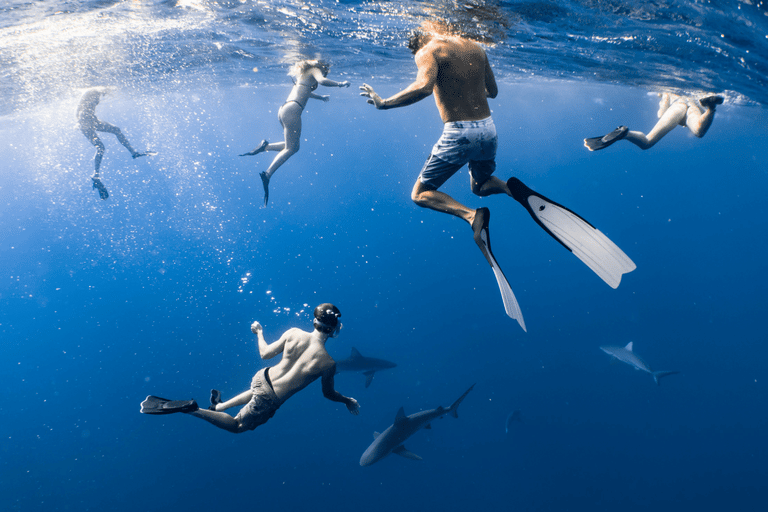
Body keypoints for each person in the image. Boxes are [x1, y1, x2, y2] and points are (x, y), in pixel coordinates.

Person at [140, 303, 360, 434]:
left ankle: (219, 407)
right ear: (333, 330)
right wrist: (347, 400)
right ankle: (191, 409)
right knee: (237, 426)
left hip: (262, 377)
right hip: (271, 397)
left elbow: (265, 355)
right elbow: (328, 394)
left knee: (257, 391)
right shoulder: (328, 363)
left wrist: (260, 332)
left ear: (314, 320)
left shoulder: (294, 332)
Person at [240, 59, 350, 207]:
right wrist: (339, 84)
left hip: (284, 110)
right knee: (291, 148)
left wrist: (321, 97)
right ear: (321, 66)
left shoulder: (304, 75)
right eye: (325, 70)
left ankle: (265, 147)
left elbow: (305, 93)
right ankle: (267, 174)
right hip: (293, 111)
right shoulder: (315, 70)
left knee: (292, 145)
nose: (324, 72)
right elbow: (322, 81)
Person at [77, 87, 154, 200]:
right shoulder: (91, 92)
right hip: (86, 122)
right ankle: (97, 174)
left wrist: (80, 121)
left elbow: (79, 110)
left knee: (104, 144)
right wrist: (80, 122)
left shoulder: (95, 93)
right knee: (103, 144)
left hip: (88, 121)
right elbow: (80, 108)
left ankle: (97, 175)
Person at [584, 92, 724, 151]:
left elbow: (661, 112)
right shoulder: (690, 110)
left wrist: (663, 109)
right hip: (692, 107)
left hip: (678, 106)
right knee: (698, 131)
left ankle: (625, 133)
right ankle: (710, 107)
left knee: (647, 141)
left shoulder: (666, 93)